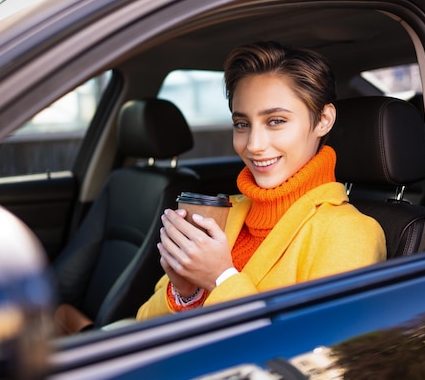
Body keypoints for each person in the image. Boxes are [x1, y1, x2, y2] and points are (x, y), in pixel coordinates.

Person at [136, 41, 386, 320]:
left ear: (323, 120)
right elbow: (143, 324)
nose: (253, 145)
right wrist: (185, 292)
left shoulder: (350, 232)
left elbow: (319, 352)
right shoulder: (221, 213)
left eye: (276, 121)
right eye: (242, 124)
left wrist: (221, 278)